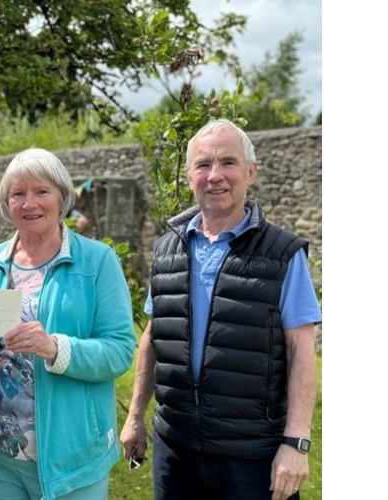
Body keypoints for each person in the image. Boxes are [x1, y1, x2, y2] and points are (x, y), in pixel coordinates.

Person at [120, 119, 321, 500]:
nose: (215, 176)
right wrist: (135, 417)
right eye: (203, 165)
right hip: (176, 447)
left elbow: (301, 350)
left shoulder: (282, 254)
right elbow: (152, 336)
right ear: (188, 174)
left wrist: (296, 443)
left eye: (227, 163)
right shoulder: (167, 250)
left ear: (250, 171)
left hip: (252, 453)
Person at [0, 148, 137, 499]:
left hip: (71, 454)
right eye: (18, 194)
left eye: (41, 192)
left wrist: (55, 347)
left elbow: (119, 351)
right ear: (6, 203)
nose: (29, 203)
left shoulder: (98, 261)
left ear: (62, 198)